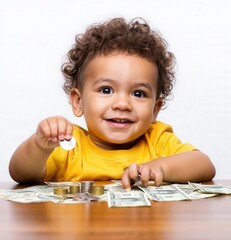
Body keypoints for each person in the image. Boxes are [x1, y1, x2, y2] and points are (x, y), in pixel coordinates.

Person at [9, 17, 216, 191]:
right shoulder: (70, 145)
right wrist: (38, 146)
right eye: (106, 90)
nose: (123, 104)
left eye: (138, 93)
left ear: (155, 110)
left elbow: (204, 164)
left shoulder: (157, 141)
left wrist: (160, 168)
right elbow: (20, 173)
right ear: (78, 101)